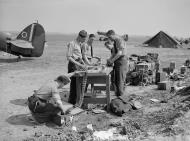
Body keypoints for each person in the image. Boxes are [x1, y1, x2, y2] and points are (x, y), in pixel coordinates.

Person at [98, 30, 128, 96]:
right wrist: (110, 59)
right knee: (117, 79)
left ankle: (121, 96)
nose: (109, 39)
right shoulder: (115, 41)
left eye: (110, 37)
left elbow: (119, 53)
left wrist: (112, 61)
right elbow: (114, 53)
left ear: (113, 35)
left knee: (120, 79)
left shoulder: (119, 40)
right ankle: (118, 95)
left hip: (121, 61)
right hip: (117, 61)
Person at [66, 30, 89, 105]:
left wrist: (83, 63)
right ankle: (71, 102)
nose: (84, 41)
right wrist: (79, 64)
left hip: (78, 65)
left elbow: (79, 56)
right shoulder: (72, 44)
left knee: (78, 85)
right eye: (83, 39)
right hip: (73, 66)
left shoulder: (79, 44)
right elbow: (69, 57)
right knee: (73, 85)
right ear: (79, 36)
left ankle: (77, 102)